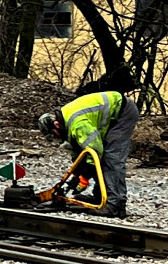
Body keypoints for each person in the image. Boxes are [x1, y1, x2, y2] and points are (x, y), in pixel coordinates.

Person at [37, 91, 140, 219]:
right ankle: (100, 197)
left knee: (111, 158)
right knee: (98, 159)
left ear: (56, 124)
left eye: (54, 134)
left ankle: (115, 205)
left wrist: (85, 175)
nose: (56, 138)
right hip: (112, 115)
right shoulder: (66, 121)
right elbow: (80, 152)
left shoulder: (78, 124)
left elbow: (95, 151)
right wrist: (77, 175)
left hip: (122, 113)